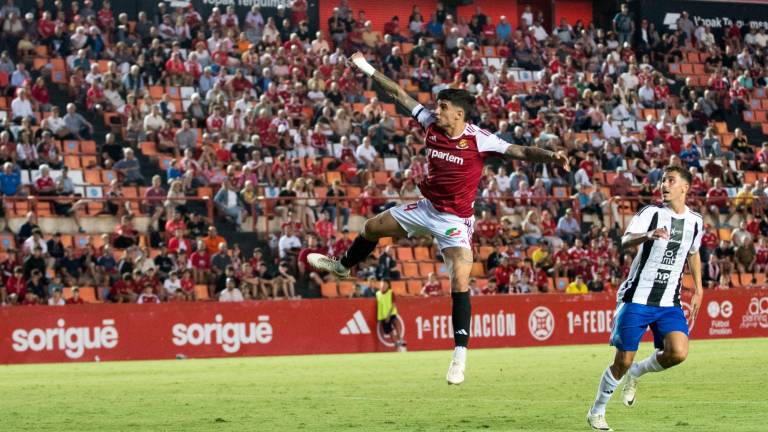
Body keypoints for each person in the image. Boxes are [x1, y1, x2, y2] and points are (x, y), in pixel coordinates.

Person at [308, 51, 568, 385]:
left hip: (455, 221)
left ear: (459, 114)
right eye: (437, 105)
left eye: (443, 106)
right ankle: (344, 265)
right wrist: (367, 68)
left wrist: (552, 156)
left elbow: (520, 151)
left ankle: (459, 356)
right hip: (427, 209)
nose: (436, 110)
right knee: (372, 227)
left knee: (460, 280)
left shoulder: (479, 138)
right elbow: (399, 95)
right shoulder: (430, 124)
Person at [587, 166, 703, 431]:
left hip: (668, 301)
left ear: (684, 187)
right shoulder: (651, 213)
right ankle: (597, 411)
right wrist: (648, 235)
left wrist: (698, 288)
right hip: (637, 297)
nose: (664, 185)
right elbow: (625, 240)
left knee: (678, 352)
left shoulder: (695, 220)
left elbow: (693, 252)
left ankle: (637, 373)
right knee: (622, 360)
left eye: (670, 181)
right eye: (663, 180)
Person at [376, 279, 406, 351]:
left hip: (391, 313)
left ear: (388, 285)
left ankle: (400, 339)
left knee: (395, 323)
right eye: (382, 284)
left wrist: (388, 315)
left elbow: (393, 304)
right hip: (382, 316)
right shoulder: (377, 293)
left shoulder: (391, 292)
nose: (384, 285)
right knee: (389, 331)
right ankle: (397, 346)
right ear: (380, 285)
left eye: (385, 284)